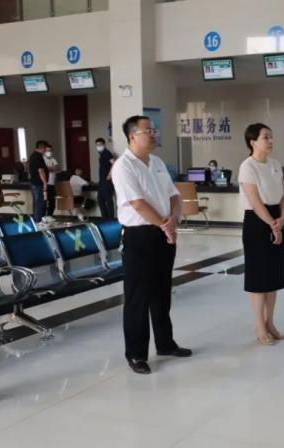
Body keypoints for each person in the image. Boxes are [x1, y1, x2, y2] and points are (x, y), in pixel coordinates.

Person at [112, 115, 191, 374]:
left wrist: (173, 220)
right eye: (148, 130)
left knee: (161, 291)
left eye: (154, 129)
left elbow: (174, 196)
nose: (153, 134)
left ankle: (165, 343)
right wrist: (165, 225)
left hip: (163, 231)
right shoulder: (123, 166)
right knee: (138, 296)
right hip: (139, 236)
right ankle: (136, 354)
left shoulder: (157, 162)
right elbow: (137, 203)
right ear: (132, 136)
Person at [238, 123, 284, 346]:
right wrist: (272, 225)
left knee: (273, 275)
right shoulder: (247, 166)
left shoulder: (275, 165)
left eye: (271, 136)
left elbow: (282, 196)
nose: (270, 141)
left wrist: (282, 219)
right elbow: (255, 201)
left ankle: (270, 322)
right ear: (253, 142)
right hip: (257, 222)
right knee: (258, 276)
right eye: (265, 137)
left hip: (276, 218)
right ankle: (259, 325)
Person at [27, 141, 49, 223]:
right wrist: (45, 183)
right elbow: (41, 171)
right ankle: (38, 221)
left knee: (37, 203)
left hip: (34, 183)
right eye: (45, 149)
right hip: (38, 183)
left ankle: (37, 220)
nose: (45, 151)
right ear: (42, 148)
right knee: (38, 203)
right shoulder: (37, 156)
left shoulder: (33, 156)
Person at [95, 138, 116, 219]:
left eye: (100, 144)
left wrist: (110, 174)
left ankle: (110, 218)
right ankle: (105, 217)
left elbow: (114, 163)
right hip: (102, 180)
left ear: (104, 144)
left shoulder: (107, 153)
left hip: (107, 180)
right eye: (97, 145)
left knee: (108, 199)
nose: (98, 146)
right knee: (100, 199)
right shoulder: (101, 154)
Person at [43, 144, 61, 221]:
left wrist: (50, 168)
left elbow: (58, 168)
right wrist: (52, 168)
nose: (49, 152)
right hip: (45, 184)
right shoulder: (42, 159)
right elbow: (44, 169)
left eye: (50, 150)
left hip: (52, 183)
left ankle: (50, 215)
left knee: (52, 201)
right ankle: (43, 216)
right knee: (44, 201)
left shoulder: (53, 159)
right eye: (47, 150)